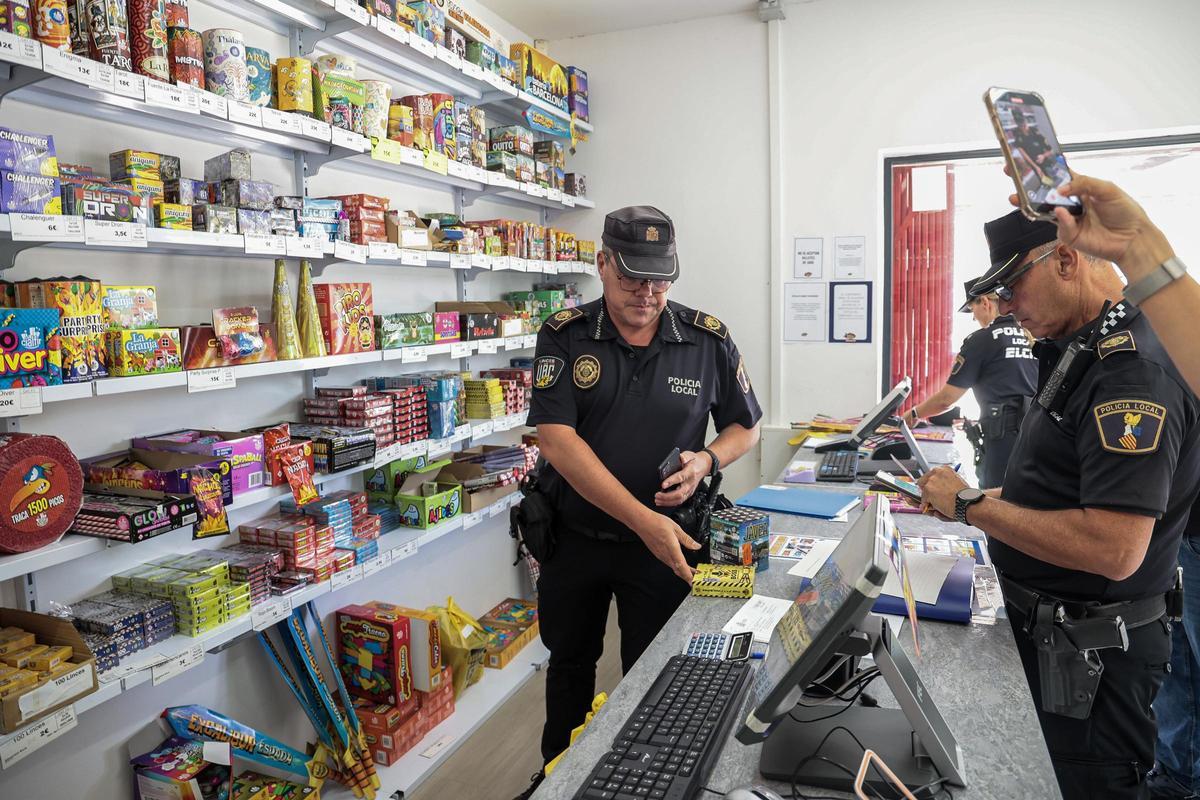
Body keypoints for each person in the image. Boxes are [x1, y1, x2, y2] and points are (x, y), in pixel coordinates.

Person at [916, 208, 1200, 800]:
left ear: (1066, 260)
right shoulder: (1086, 345)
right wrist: (976, 499)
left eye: (1014, 286)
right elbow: (1065, 489)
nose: (1009, 306)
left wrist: (970, 505)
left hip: (1088, 658)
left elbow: (1114, 547)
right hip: (1058, 640)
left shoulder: (1130, 374)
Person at [515, 205, 762, 798]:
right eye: (631, 278)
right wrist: (643, 518)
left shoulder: (707, 338)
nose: (647, 294)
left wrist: (706, 460)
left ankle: (641, 780)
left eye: (659, 280)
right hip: (574, 539)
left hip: (666, 547)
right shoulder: (565, 333)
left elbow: (745, 427)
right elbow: (556, 438)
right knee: (569, 665)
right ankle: (559, 777)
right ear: (601, 264)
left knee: (654, 673)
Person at [903, 276, 1036, 488]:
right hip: (1035, 434)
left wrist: (914, 414)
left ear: (984, 302)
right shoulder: (1032, 334)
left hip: (1002, 438)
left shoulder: (983, 339)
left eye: (972, 310)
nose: (974, 318)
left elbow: (946, 399)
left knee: (996, 505)